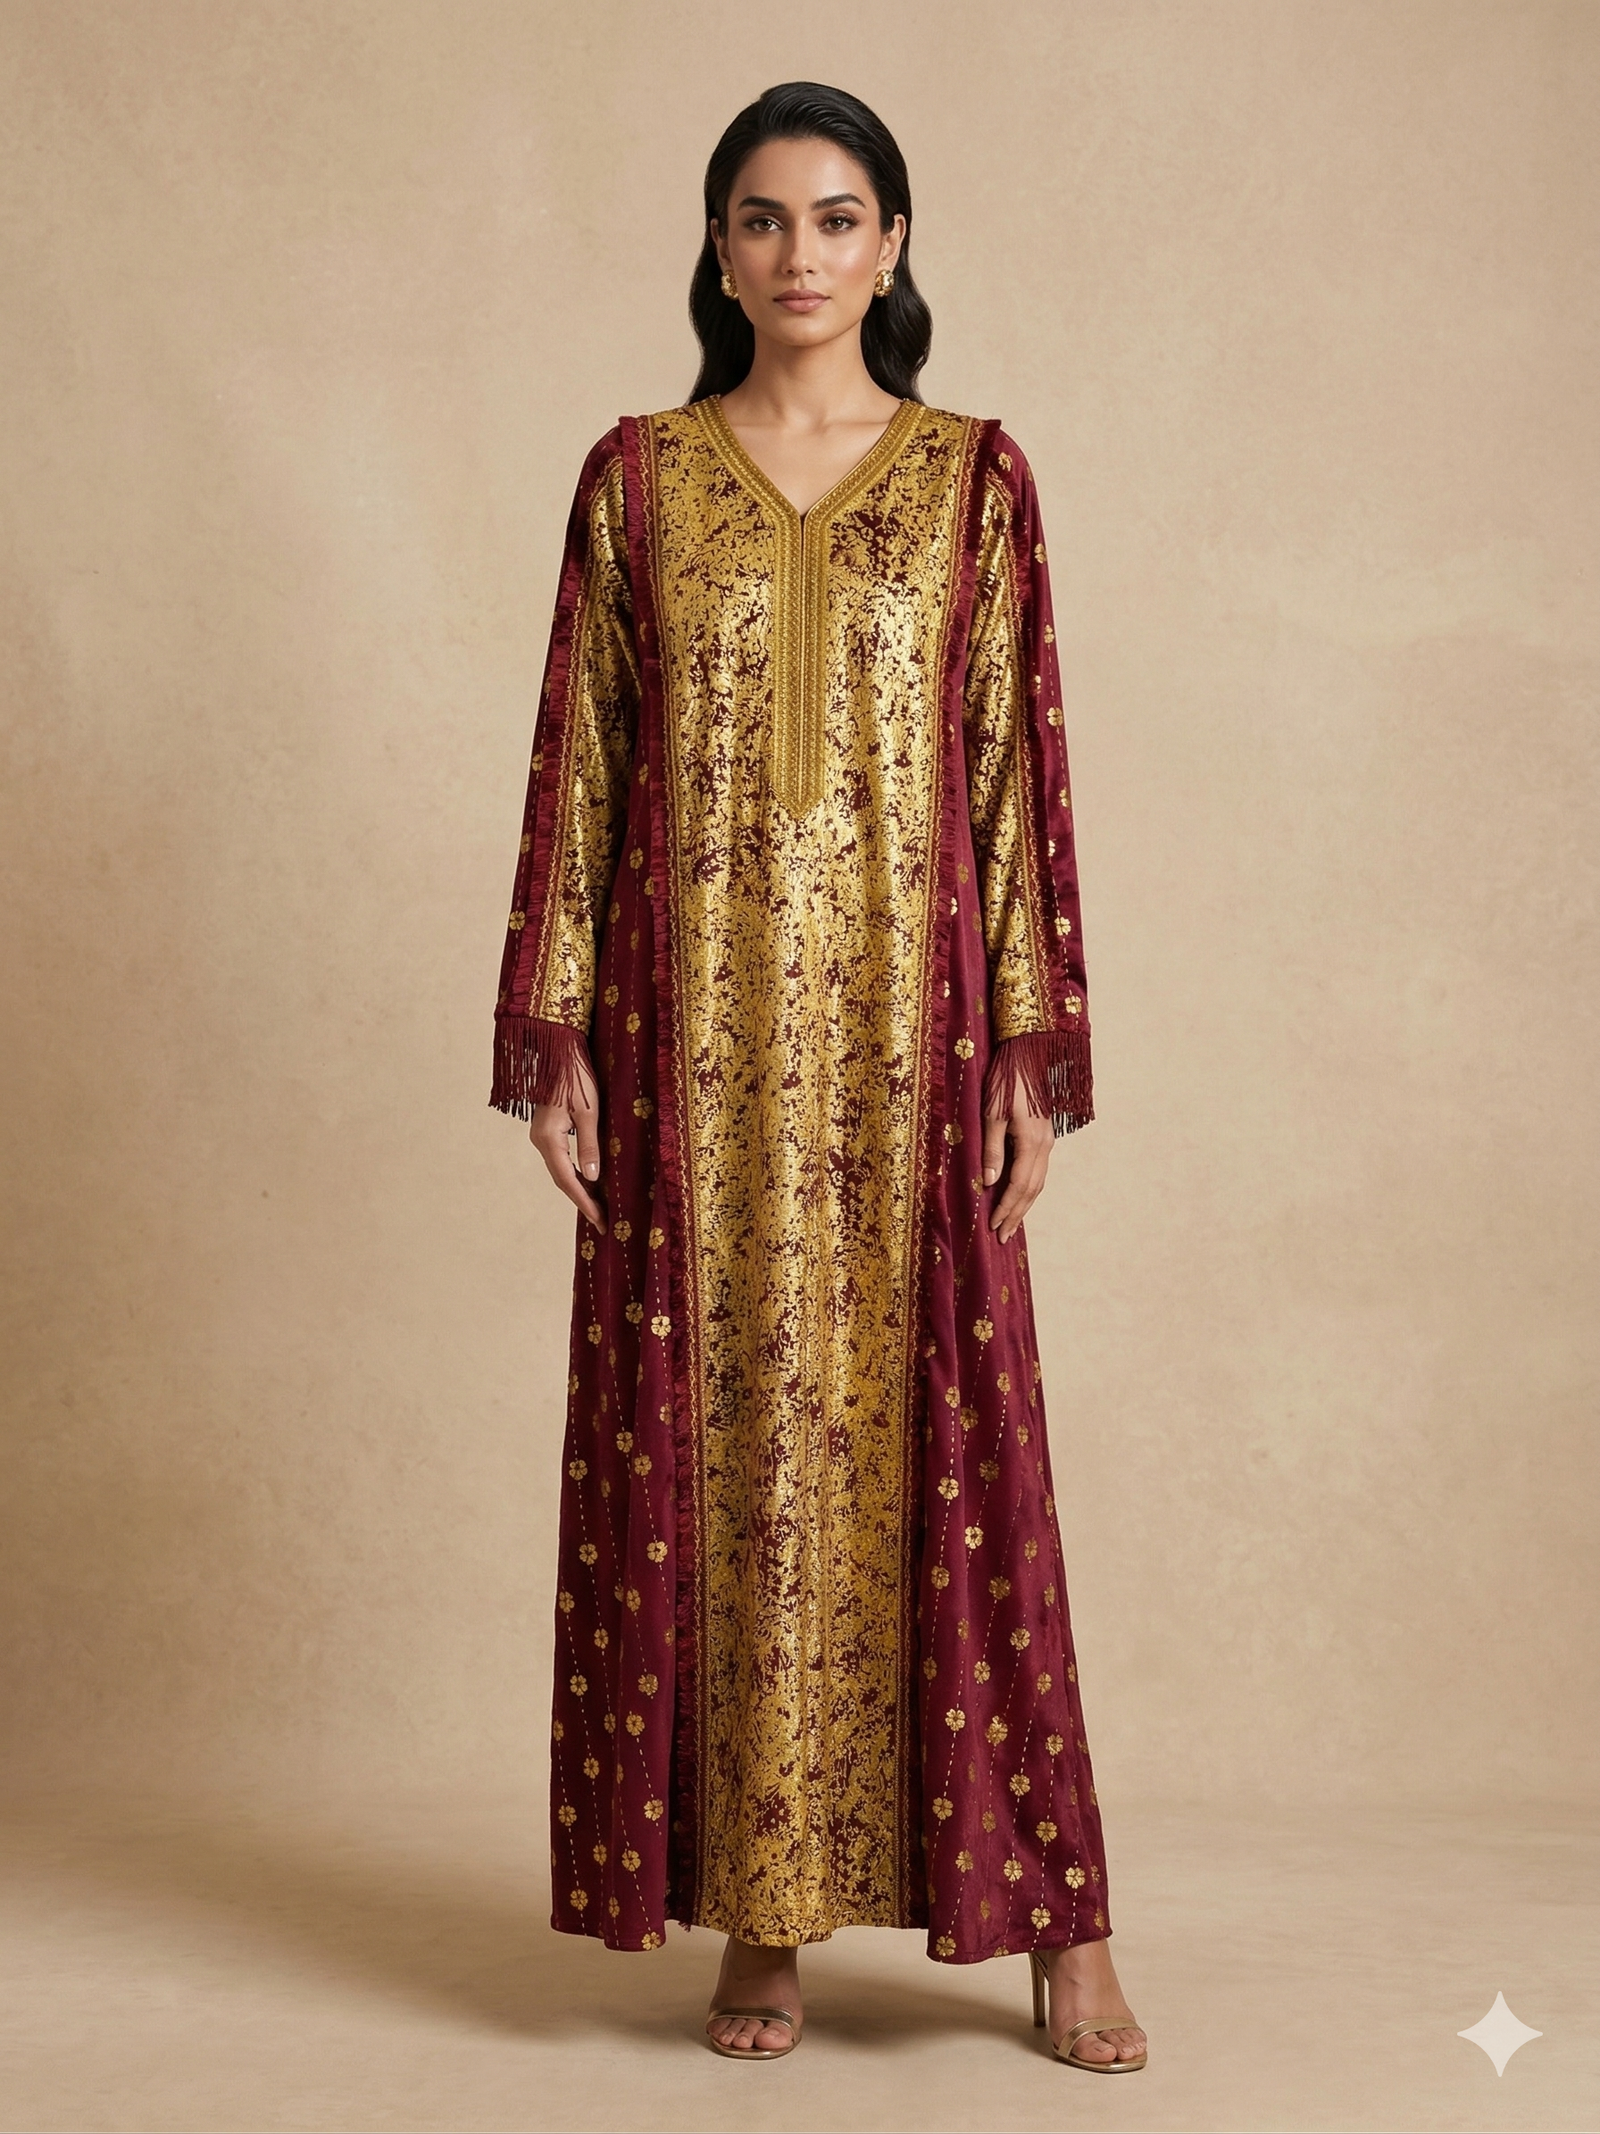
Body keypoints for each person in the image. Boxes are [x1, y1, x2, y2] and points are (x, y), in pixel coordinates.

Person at [489, 80, 1147, 2073]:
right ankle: (758, 1914)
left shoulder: (971, 480)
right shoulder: (635, 480)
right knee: (715, 1468)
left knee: (964, 1465)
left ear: (892, 245)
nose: (799, 254)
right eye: (763, 219)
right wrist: (554, 1036)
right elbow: (581, 761)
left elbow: (1013, 773)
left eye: (837, 217)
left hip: (903, 1055)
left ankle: (1058, 1927)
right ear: (717, 249)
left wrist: (1029, 1046)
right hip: (688, 1065)